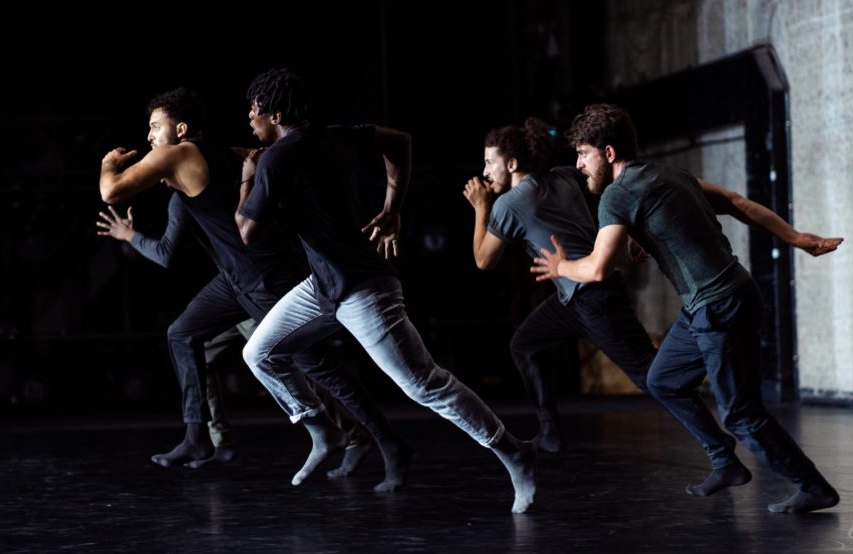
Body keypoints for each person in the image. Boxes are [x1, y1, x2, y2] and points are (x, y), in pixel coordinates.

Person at [236, 68, 536, 513]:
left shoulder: (275, 158)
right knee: (259, 353)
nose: (249, 119)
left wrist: (248, 172)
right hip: (323, 286)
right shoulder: (335, 136)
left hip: (362, 289)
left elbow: (245, 231)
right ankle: (324, 430)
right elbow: (400, 142)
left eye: (254, 111)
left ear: (274, 114)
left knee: (424, 384)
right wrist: (392, 208)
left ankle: (515, 452)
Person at [532, 103, 843, 513]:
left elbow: (597, 269)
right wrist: (795, 237)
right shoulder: (668, 175)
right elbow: (735, 201)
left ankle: (814, 487)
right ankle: (724, 462)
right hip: (719, 301)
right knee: (662, 379)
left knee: (741, 414)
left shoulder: (616, 195)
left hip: (718, 307)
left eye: (583, 153)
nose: (578, 165)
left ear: (608, 153)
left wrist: (560, 266)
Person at [99, 87, 409, 487]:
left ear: (180, 128)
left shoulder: (178, 153)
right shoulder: (217, 157)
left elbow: (111, 190)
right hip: (235, 281)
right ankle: (197, 436)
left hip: (267, 277)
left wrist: (108, 164)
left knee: (318, 365)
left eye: (155, 127)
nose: (149, 137)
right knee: (182, 332)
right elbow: (172, 246)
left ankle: (384, 442)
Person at [96, 195, 375, 472]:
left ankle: (354, 436)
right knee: (200, 354)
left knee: (298, 363)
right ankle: (219, 440)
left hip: (250, 289)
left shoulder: (191, 191)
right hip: (230, 293)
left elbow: (165, 252)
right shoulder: (192, 192)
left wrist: (129, 235)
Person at [462, 117, 657, 453]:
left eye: (489, 162)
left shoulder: (508, 205)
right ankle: (550, 433)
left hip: (593, 298)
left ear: (512, 164)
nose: (485, 171)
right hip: (574, 299)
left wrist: (481, 208)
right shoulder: (565, 175)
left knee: (652, 378)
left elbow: (483, 260)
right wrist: (628, 237)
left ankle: (719, 422)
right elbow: (607, 195)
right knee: (525, 345)